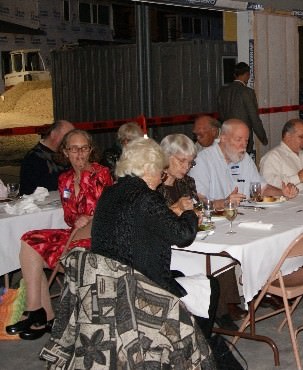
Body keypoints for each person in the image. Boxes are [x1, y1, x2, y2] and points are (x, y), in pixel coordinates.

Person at [90, 138, 218, 339]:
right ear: (149, 169)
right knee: (210, 285)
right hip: (140, 286)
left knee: (179, 272)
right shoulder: (145, 197)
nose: (162, 176)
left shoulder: (110, 192)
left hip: (107, 283)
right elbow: (182, 236)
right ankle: (196, 347)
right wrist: (189, 213)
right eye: (160, 169)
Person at [7, 129, 112, 340]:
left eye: (84, 148)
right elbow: (69, 217)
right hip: (74, 232)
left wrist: (89, 217)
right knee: (30, 240)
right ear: (65, 152)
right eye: (74, 148)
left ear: (90, 150)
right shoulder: (64, 179)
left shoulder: (101, 173)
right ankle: (38, 311)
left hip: (96, 235)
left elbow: (106, 211)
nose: (79, 154)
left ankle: (45, 317)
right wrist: (78, 219)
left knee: (65, 247)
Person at [189, 119, 298, 206]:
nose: (243, 145)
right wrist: (224, 203)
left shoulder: (244, 158)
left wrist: (282, 193)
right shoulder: (202, 161)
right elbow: (198, 201)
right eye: (238, 140)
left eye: (246, 140)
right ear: (223, 138)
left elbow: (261, 188)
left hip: (245, 217)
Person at [260, 118, 303, 192]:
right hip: (291, 201)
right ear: (287, 136)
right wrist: (297, 178)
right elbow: (267, 187)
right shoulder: (272, 157)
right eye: (301, 137)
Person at [217, 62, 268, 155]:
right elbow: (254, 118)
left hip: (228, 137)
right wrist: (263, 138)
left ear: (234, 75)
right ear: (247, 75)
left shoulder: (223, 92)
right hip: (242, 139)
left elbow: (221, 116)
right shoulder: (248, 92)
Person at [19, 120, 75, 195]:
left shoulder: (65, 153)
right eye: (66, 137)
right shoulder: (34, 158)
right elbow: (29, 192)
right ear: (53, 134)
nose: (70, 141)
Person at [157, 134, 199, 214]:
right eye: (182, 160)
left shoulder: (188, 182)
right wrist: (177, 207)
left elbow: (197, 207)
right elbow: (152, 221)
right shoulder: (154, 186)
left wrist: (196, 213)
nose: (187, 167)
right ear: (166, 156)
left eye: (190, 162)